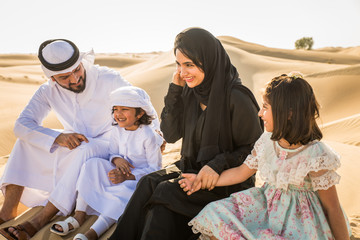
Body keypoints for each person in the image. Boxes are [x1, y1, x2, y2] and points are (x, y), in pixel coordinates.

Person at [108, 27, 263, 240]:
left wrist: (216, 165)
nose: (182, 72)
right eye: (178, 65)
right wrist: (175, 90)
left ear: (209, 61)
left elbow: (254, 149)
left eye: (189, 65)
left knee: (166, 192)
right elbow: (170, 134)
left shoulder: (237, 98)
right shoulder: (190, 92)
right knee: (148, 183)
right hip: (191, 168)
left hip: (226, 182)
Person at [0, 39, 158, 239]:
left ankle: (40, 219)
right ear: (53, 78)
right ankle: (7, 211)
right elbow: (22, 125)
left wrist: (156, 137)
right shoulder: (47, 91)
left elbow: (144, 106)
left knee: (85, 148)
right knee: (25, 141)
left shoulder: (108, 78)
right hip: (74, 144)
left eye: (77, 70)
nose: (75, 79)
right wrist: (58, 137)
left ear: (82, 62)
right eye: (65, 77)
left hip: (112, 145)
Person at [180, 72, 352, 239]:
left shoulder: (315, 154)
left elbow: (333, 208)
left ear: (289, 113)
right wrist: (201, 180)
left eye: (265, 107)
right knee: (215, 214)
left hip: (300, 222)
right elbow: (241, 172)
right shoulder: (267, 141)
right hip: (266, 207)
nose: (259, 113)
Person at [49, 86, 163, 240]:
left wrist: (128, 177)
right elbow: (112, 153)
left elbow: (155, 170)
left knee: (122, 194)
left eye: (124, 109)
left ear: (140, 113)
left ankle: (92, 234)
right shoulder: (117, 129)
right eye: (115, 109)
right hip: (116, 171)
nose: (118, 114)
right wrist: (117, 159)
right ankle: (79, 216)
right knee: (92, 165)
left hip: (136, 180)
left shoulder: (148, 135)